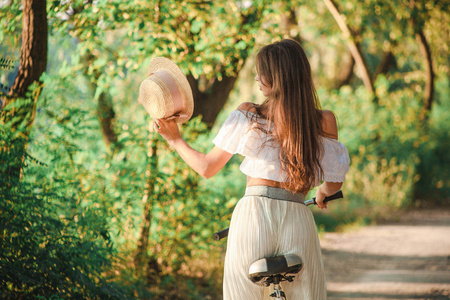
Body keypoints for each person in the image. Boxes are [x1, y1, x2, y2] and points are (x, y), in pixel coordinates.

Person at [154, 39, 350, 299]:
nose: (257, 77)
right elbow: (334, 182)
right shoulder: (324, 120)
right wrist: (323, 193)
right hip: (297, 219)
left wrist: (175, 139)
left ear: (277, 77)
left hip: (253, 217)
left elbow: (207, 168)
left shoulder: (249, 113)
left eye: (262, 72)